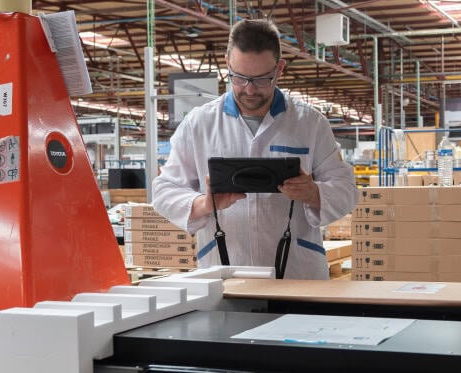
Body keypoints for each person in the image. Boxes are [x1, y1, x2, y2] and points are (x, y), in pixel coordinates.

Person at [152, 18, 357, 280]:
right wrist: (204, 204)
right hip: (223, 273)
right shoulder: (199, 124)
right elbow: (163, 191)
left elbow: (346, 190)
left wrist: (314, 192)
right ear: (227, 63)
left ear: (279, 68)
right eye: (239, 77)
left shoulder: (310, 123)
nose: (249, 89)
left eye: (262, 79)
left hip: (298, 273)